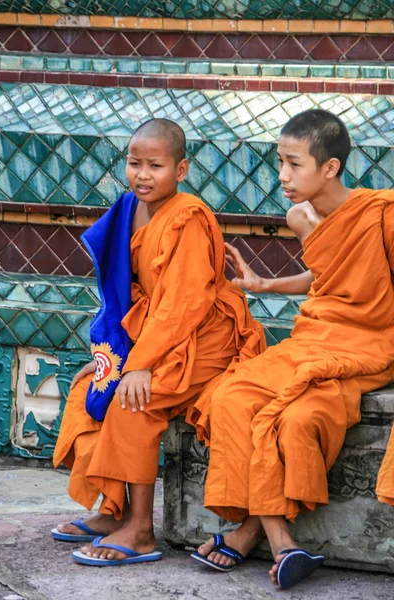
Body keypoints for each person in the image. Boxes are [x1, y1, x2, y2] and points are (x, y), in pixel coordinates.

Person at [191, 109, 394, 589]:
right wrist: (265, 282)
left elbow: (367, 280)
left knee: (295, 418)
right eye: (279, 161)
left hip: (368, 340)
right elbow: (327, 277)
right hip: (313, 336)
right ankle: (281, 542)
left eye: (294, 164)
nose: (282, 175)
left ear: (330, 168)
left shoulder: (381, 215)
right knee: (231, 398)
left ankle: (246, 534)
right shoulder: (300, 216)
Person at [52, 118, 265, 566]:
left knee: (134, 401)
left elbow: (184, 304)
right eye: (134, 163)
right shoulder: (129, 208)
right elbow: (122, 293)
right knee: (89, 388)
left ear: (181, 170)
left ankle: (142, 531)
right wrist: (114, 359)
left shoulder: (188, 218)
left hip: (206, 335)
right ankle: (116, 511)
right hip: (153, 332)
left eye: (156, 165)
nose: (143, 175)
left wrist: (139, 365)